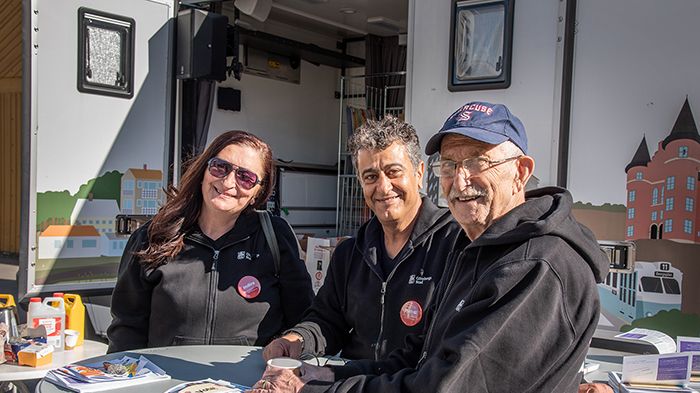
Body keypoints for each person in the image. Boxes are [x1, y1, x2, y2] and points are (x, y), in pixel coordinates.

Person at [249, 102, 609, 393]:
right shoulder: (474, 250)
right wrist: (323, 375)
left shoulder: (532, 265)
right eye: (450, 165)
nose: (461, 179)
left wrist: (313, 390)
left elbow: (446, 383)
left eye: (477, 161)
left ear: (521, 172)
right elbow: (419, 356)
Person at [263, 115, 461, 362]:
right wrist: (296, 339)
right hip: (354, 383)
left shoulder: (457, 245)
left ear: (419, 173)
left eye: (393, 172)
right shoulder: (350, 253)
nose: (383, 187)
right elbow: (326, 320)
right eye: (370, 177)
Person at [107, 130, 314, 353]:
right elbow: (127, 328)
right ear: (204, 170)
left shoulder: (275, 236)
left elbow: (303, 319)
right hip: (168, 381)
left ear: (258, 192)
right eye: (220, 167)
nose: (227, 182)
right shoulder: (153, 236)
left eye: (245, 177)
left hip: (249, 382)